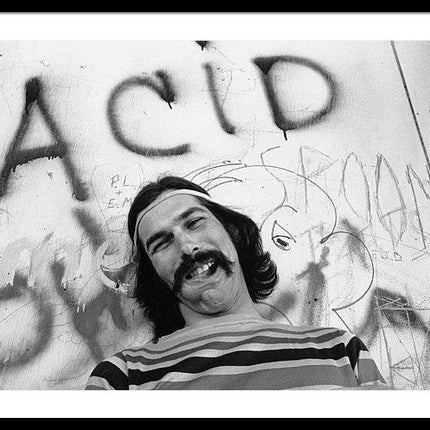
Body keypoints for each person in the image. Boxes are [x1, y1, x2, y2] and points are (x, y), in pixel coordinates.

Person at [85, 174, 389, 390]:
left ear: (232, 231)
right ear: (154, 277)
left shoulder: (340, 351)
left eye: (194, 222)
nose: (186, 246)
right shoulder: (123, 376)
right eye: (162, 243)